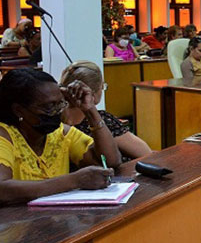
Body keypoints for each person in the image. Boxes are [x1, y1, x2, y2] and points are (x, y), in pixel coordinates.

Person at [0, 68, 121, 205]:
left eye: (60, 104)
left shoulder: (60, 133)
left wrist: (90, 110)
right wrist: (74, 180)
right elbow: (2, 190)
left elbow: (111, 160)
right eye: (49, 107)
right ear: (19, 110)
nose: (57, 112)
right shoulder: (4, 135)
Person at [60, 61, 152, 160]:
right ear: (91, 94)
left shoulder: (53, 120)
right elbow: (145, 152)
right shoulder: (102, 121)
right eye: (102, 87)